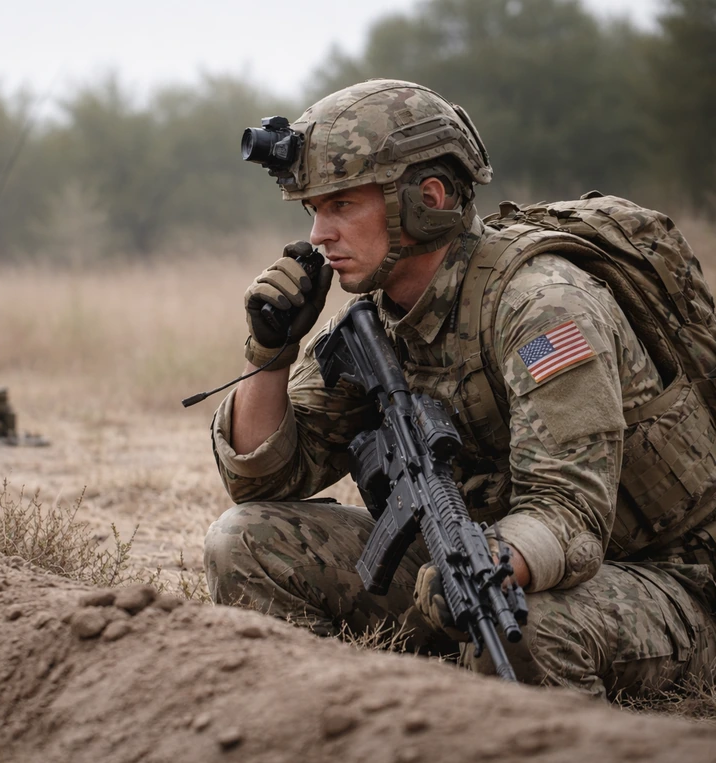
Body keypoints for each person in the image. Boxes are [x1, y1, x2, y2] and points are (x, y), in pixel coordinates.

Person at [204, 78, 716, 697]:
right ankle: (337, 727)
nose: (318, 235)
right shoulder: (382, 316)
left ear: (427, 199)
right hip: (488, 557)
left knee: (527, 630)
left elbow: (570, 513)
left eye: (341, 206)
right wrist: (271, 356)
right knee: (244, 542)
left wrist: (494, 568)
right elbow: (261, 481)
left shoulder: (542, 305)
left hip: (663, 580)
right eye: (313, 211)